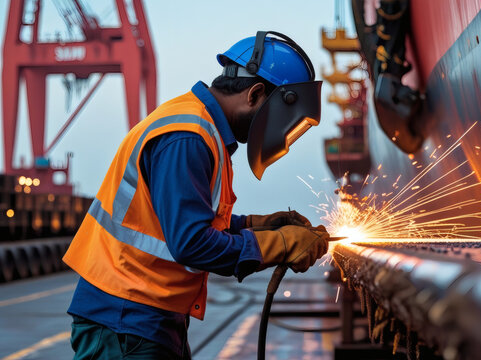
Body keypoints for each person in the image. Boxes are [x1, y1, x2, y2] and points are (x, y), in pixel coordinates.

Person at [63, 31, 329, 359]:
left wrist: (260, 225)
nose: (279, 131)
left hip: (143, 316)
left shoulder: (204, 130)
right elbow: (191, 243)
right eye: (279, 118)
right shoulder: (188, 137)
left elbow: (185, 221)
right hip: (125, 319)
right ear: (255, 94)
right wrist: (281, 244)